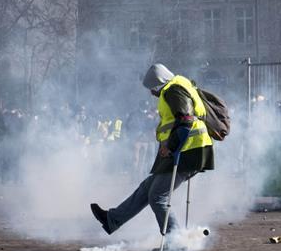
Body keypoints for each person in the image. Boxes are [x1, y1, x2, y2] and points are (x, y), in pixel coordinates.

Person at [90, 64, 214, 238]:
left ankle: (175, 242)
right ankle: (113, 219)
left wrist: (170, 146)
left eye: (152, 88)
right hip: (187, 148)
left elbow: (186, 121)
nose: (151, 92)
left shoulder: (173, 90)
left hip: (187, 150)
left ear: (159, 82)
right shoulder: (177, 86)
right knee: (147, 188)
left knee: (157, 197)